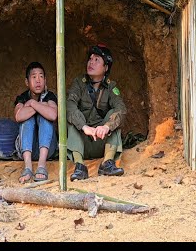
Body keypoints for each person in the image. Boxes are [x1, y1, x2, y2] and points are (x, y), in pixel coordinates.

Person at [67, 44, 127, 181]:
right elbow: (69, 106)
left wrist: (106, 127)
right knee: (72, 117)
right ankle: (79, 166)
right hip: (81, 143)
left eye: (96, 60)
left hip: (101, 142)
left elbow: (121, 109)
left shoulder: (111, 87)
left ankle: (107, 163)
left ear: (105, 68)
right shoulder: (79, 83)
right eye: (90, 59)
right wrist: (84, 127)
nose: (91, 62)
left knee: (115, 116)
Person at [14, 62, 58, 183]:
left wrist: (33, 104)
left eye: (41, 76)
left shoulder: (50, 96)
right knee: (27, 119)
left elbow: (53, 115)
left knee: (45, 117)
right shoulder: (22, 97)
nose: (38, 80)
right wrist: (42, 107)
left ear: (45, 80)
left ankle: (41, 166)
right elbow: (18, 116)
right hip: (27, 149)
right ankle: (28, 167)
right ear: (27, 82)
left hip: (47, 149)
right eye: (34, 77)